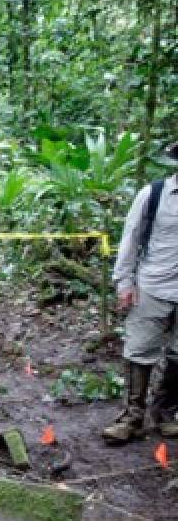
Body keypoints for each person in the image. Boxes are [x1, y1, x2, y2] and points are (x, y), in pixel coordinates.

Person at [103, 141, 178, 444]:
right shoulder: (154, 194)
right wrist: (124, 283)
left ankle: (165, 412)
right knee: (139, 351)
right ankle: (132, 418)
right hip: (153, 287)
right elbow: (130, 238)